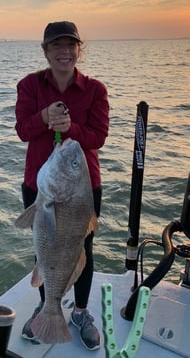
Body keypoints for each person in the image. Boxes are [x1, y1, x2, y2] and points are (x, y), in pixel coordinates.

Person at [15, 21, 109, 350]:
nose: (64, 52)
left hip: (83, 188)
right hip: (40, 186)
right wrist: (43, 117)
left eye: (70, 45)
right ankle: (47, 306)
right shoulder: (29, 85)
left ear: (78, 50)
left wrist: (72, 129)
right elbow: (23, 130)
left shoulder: (95, 89)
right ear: (45, 51)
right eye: (57, 46)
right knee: (44, 249)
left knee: (83, 250)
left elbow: (98, 137)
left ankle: (81, 312)